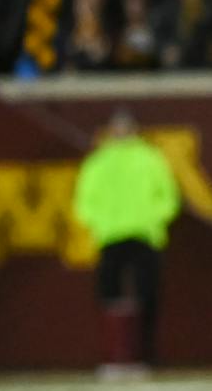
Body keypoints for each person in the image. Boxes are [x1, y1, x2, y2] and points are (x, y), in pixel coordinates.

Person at [71, 110, 181, 373]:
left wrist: (153, 219)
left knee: (147, 296)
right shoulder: (98, 162)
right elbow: (84, 200)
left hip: (145, 234)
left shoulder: (150, 159)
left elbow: (168, 196)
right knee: (108, 295)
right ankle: (114, 354)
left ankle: (143, 355)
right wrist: (99, 223)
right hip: (110, 235)